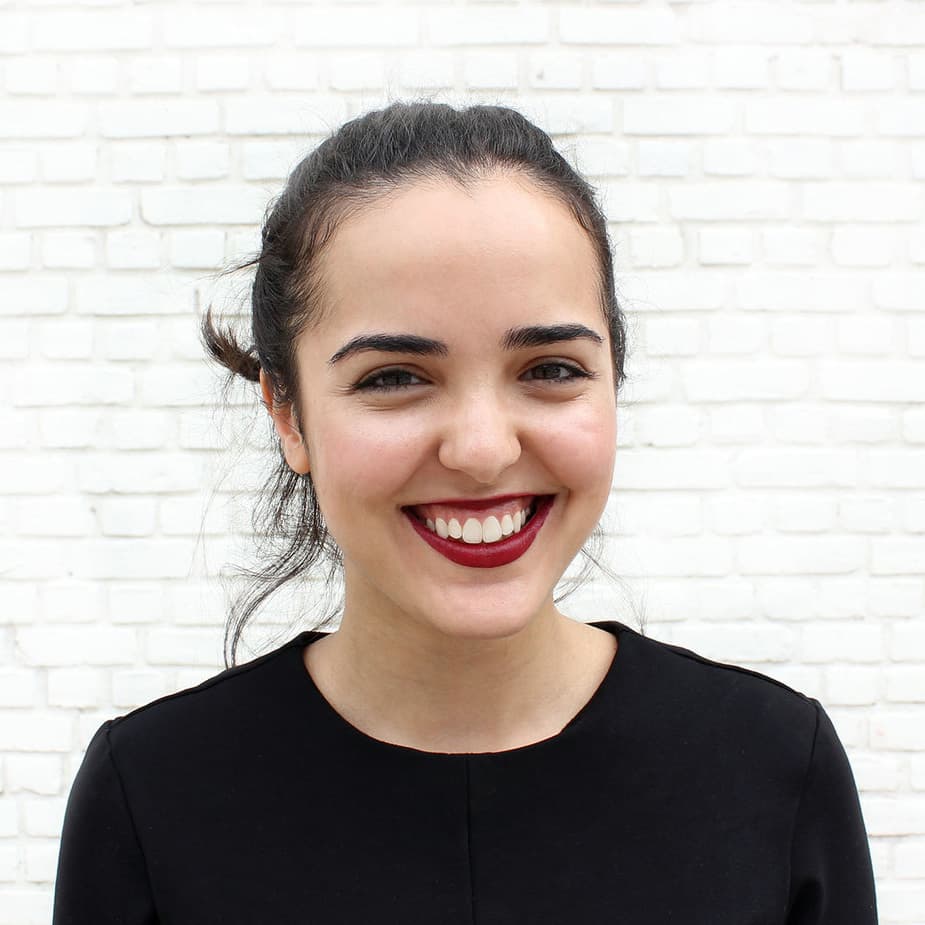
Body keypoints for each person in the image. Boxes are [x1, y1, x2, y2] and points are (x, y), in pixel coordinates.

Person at [52, 101, 878, 924]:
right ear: (287, 413)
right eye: (393, 377)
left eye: (550, 368)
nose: (481, 450)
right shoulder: (150, 799)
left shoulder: (773, 768)